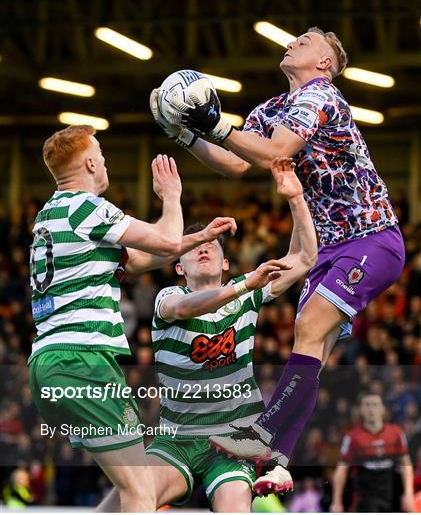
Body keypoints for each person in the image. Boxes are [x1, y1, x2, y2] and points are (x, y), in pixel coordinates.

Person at [150, 26, 405, 492]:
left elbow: (277, 152)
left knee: (308, 329)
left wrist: (213, 123)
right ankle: (280, 460)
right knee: (313, 351)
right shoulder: (273, 108)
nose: (290, 44)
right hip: (327, 249)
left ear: (325, 62)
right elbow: (238, 163)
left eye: (304, 42)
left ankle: (261, 435)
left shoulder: (320, 94)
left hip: (371, 238)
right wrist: (185, 134)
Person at [28, 125, 235, 512]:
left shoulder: (49, 216)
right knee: (141, 491)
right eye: (101, 154)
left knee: (131, 486)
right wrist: (171, 198)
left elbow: (141, 258)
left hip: (47, 363)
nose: (104, 161)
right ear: (90, 162)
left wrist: (198, 237)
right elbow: (168, 241)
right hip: (84, 361)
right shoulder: (88, 207)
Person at [97, 158, 317, 512]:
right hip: (176, 441)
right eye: (196, 246)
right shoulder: (168, 298)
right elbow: (186, 310)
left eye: (214, 245)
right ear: (178, 266)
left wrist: (295, 197)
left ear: (226, 263)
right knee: (132, 495)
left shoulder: (248, 292)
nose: (204, 247)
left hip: (232, 441)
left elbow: (305, 258)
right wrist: (245, 284)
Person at [330, 393, 414, 513]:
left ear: (383, 409)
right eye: (367, 405)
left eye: (375, 404)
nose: (371, 409)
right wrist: (336, 502)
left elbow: (406, 464)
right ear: (361, 410)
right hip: (367, 497)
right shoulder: (352, 437)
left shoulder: (396, 433)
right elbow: (342, 469)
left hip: (392, 493)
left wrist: (409, 493)